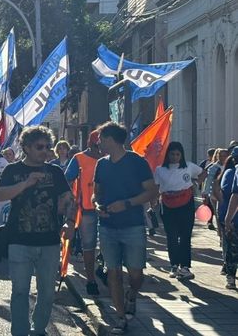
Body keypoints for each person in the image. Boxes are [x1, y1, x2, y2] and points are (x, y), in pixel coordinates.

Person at [0, 125, 76, 336]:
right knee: (20, 291)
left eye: (48, 147)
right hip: (19, 241)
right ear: (27, 147)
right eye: (40, 147)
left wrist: (69, 222)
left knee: (47, 293)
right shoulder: (12, 170)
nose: (45, 151)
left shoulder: (55, 171)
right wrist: (26, 183)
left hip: (49, 242)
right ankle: (20, 331)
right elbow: (0, 195)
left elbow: (68, 199)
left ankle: (38, 329)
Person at [92, 122, 158, 334]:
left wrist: (127, 203)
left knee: (136, 274)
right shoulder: (101, 164)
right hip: (107, 226)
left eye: (101, 139)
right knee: (113, 273)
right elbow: (96, 193)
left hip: (133, 225)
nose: (98, 143)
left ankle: (132, 294)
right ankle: (120, 317)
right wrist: (96, 205)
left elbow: (151, 192)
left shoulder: (137, 162)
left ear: (111, 139)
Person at [153, 142, 205, 280]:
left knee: (185, 236)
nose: (175, 157)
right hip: (167, 205)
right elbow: (155, 187)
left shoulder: (189, 166)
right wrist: (152, 203)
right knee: (172, 237)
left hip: (186, 205)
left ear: (181, 155)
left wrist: (196, 183)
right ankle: (174, 265)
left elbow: (203, 173)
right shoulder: (160, 170)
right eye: (172, 154)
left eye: (177, 154)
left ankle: (185, 266)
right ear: (167, 154)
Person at [64, 130, 103, 296]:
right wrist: (71, 201)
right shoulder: (78, 159)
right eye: (97, 146)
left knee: (109, 246)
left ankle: (103, 269)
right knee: (89, 246)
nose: (100, 150)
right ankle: (91, 280)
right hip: (87, 210)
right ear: (90, 144)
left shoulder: (110, 159)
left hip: (110, 210)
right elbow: (67, 180)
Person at [216, 149, 238, 288]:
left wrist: (228, 218)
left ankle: (230, 277)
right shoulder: (233, 172)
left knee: (232, 248)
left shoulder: (230, 172)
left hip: (234, 218)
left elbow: (234, 196)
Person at [203, 148, 229, 231]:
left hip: (226, 194)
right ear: (217, 156)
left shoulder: (229, 166)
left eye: (225, 156)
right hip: (214, 194)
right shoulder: (214, 167)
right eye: (221, 156)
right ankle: (220, 233)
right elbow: (208, 180)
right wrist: (205, 193)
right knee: (218, 214)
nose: (223, 158)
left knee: (226, 213)